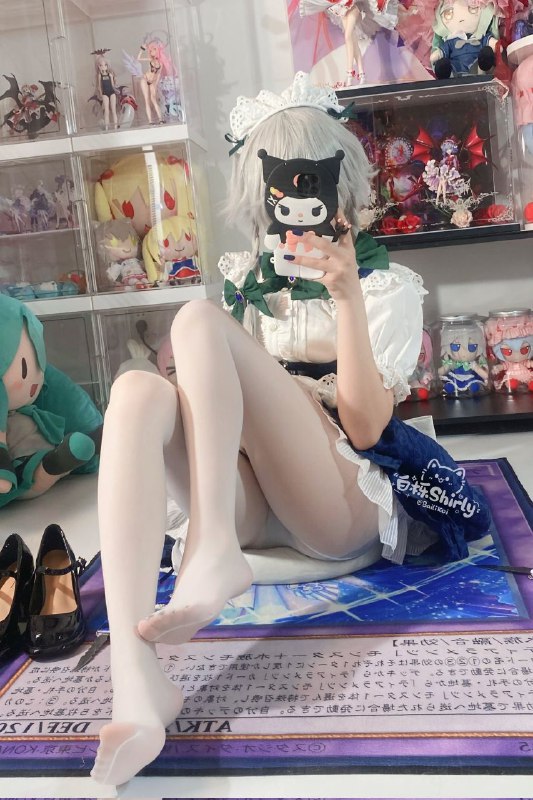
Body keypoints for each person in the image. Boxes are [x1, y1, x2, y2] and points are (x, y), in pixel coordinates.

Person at [91, 72, 490, 786]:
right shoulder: (248, 279)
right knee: (133, 391)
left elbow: (366, 430)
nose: (297, 214)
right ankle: (136, 680)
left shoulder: (383, 286)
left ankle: (213, 546)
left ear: (341, 191)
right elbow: (219, 411)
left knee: (194, 320)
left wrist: (346, 297)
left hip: (337, 498)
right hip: (254, 493)